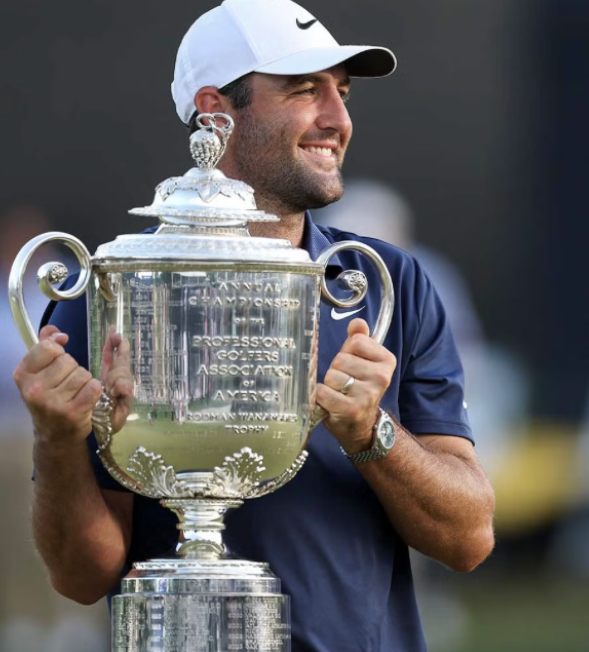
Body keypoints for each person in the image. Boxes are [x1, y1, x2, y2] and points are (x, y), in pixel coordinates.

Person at [11, 1, 496, 651]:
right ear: (215, 111)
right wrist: (57, 440)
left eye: (343, 92)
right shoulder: (109, 292)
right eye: (305, 90)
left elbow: (467, 539)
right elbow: (82, 574)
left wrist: (371, 432)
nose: (338, 118)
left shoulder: (388, 284)